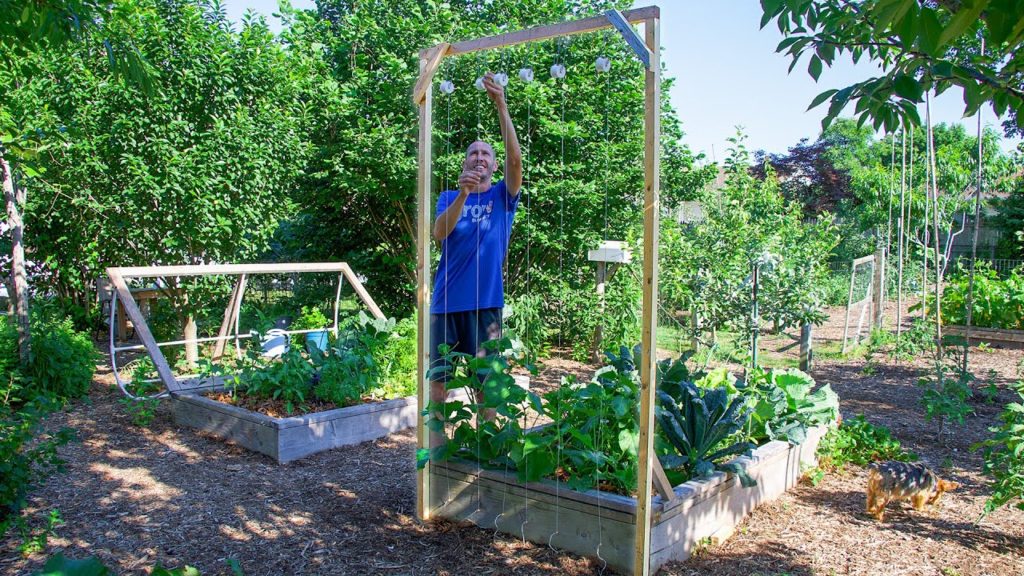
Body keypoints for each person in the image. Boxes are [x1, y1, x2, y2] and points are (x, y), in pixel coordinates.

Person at [429, 72, 522, 441]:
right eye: (473, 153)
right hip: (446, 304)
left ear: (494, 166)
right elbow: (439, 233)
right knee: (439, 383)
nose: (480, 157)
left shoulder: (502, 196)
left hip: (486, 306)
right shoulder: (449, 197)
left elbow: (516, 161)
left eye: (486, 154)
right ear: (465, 164)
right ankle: (437, 453)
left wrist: (501, 105)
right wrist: (464, 195)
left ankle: (487, 450)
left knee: (487, 386)